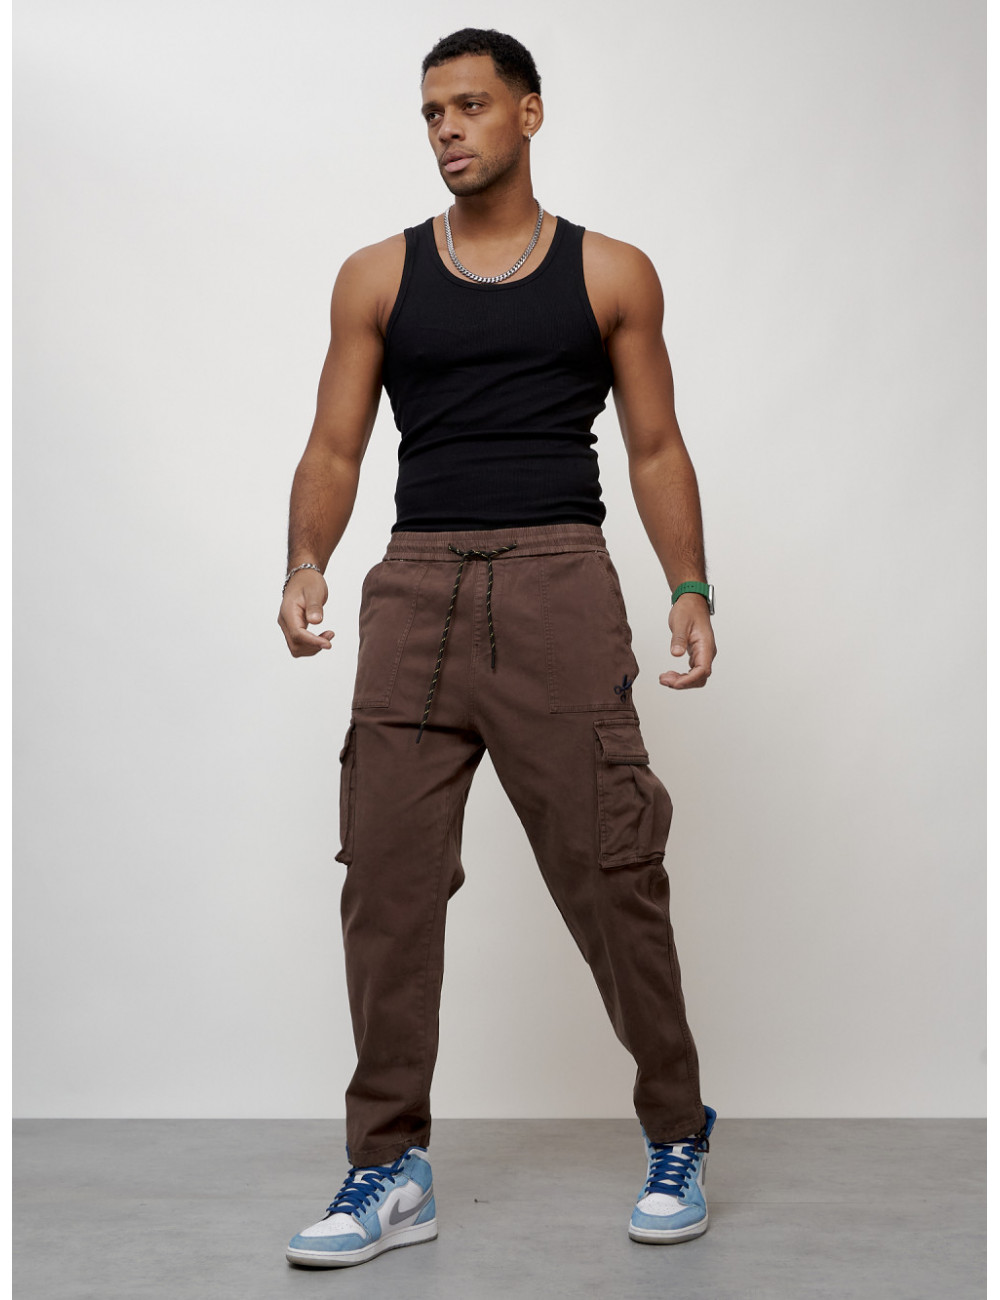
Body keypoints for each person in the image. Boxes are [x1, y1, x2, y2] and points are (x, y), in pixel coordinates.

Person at [279, 27, 719, 1271]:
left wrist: (689, 586)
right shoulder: (376, 275)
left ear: (528, 113)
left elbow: (653, 445)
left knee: (611, 870)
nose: (447, 130)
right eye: (432, 112)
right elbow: (334, 446)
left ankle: (677, 1131)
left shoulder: (609, 271)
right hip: (413, 590)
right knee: (385, 881)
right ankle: (387, 1166)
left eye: (470, 106)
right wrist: (305, 561)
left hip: (556, 584)